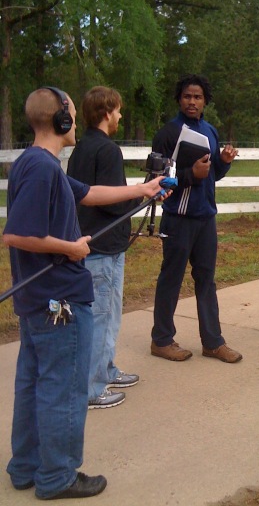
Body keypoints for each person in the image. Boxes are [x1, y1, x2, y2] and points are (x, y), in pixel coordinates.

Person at [3, 87, 169, 500]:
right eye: (72, 115)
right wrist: (71, 247)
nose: (75, 122)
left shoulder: (39, 164)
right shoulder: (42, 169)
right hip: (59, 301)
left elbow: (90, 193)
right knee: (64, 388)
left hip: (39, 302)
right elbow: (17, 234)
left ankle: (25, 467)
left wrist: (142, 191)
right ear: (61, 120)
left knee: (33, 384)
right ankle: (57, 476)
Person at [150, 73, 242, 363]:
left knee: (206, 280)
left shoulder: (210, 131)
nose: (192, 101)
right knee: (171, 279)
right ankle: (161, 340)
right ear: (179, 99)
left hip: (205, 218)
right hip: (178, 217)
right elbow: (157, 181)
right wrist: (190, 175)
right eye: (187, 96)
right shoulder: (167, 133)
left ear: (205, 101)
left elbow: (212, 174)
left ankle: (213, 342)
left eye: (198, 97)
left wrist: (224, 162)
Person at [67, 86, 140, 409]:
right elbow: (111, 202)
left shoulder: (80, 149)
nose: (121, 116)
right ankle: (92, 389)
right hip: (104, 247)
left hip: (90, 242)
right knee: (101, 316)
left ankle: (105, 369)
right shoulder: (109, 150)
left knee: (107, 314)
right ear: (107, 112)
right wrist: (140, 194)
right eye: (118, 110)